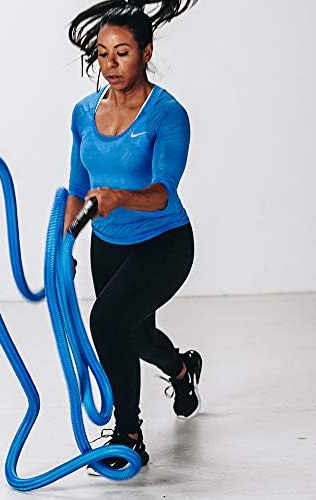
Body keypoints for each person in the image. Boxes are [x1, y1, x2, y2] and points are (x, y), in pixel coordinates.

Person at [64, 0, 202, 472]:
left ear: (146, 52)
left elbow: (163, 193)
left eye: (122, 53)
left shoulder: (167, 114)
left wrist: (120, 197)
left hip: (164, 243)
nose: (111, 64)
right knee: (138, 337)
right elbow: (77, 188)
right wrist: (63, 243)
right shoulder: (84, 113)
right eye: (103, 54)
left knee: (106, 322)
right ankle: (182, 369)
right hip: (108, 244)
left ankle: (128, 436)